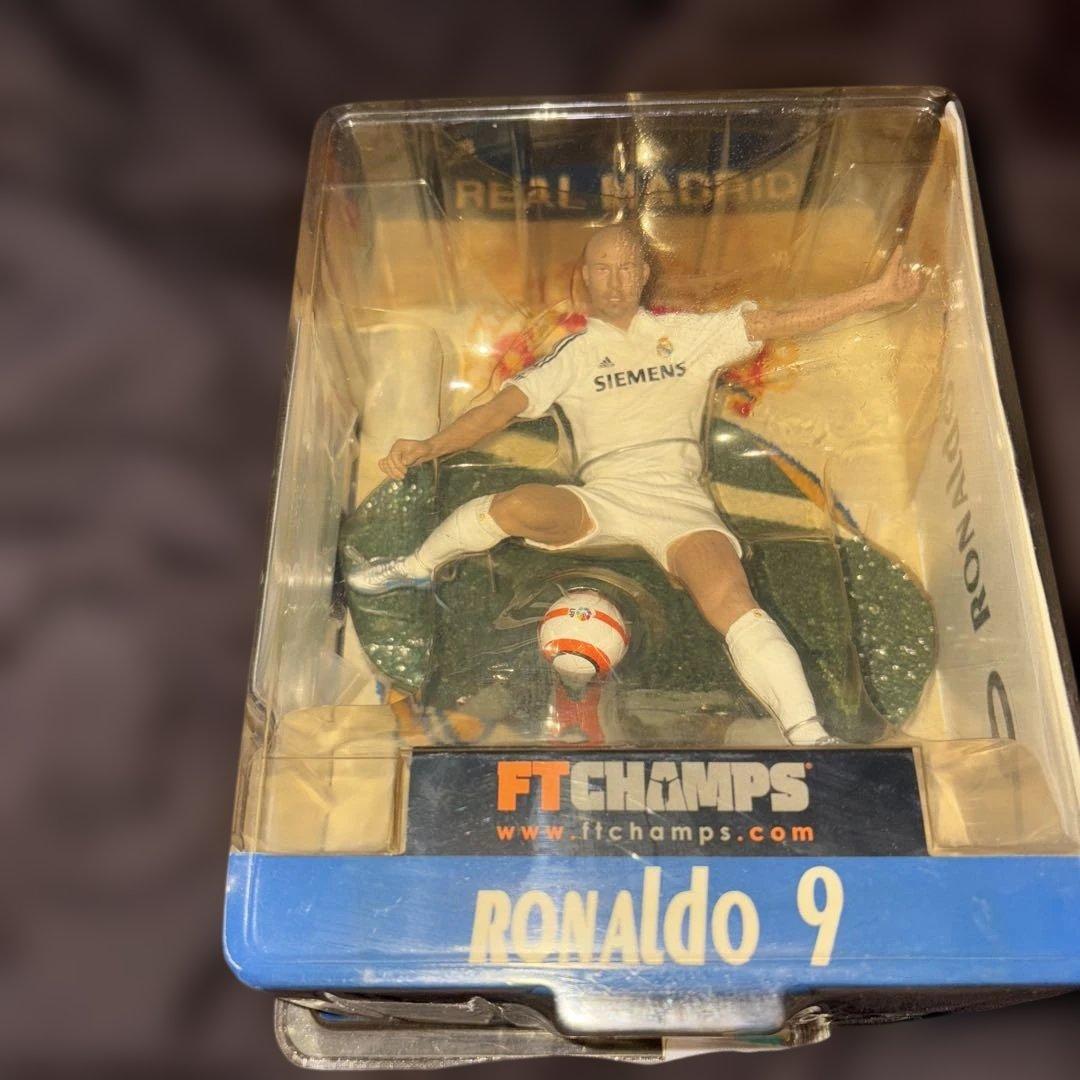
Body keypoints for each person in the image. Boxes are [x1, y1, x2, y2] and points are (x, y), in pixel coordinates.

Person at [349, 226, 924, 745]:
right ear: (585, 276)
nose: (616, 280)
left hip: (680, 503)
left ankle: (807, 734)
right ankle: (415, 567)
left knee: (731, 599)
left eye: (627, 267)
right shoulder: (573, 355)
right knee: (514, 505)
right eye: (603, 268)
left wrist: (876, 295)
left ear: (645, 274)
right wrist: (430, 446)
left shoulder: (690, 335)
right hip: (602, 497)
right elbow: (498, 410)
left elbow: (778, 321)